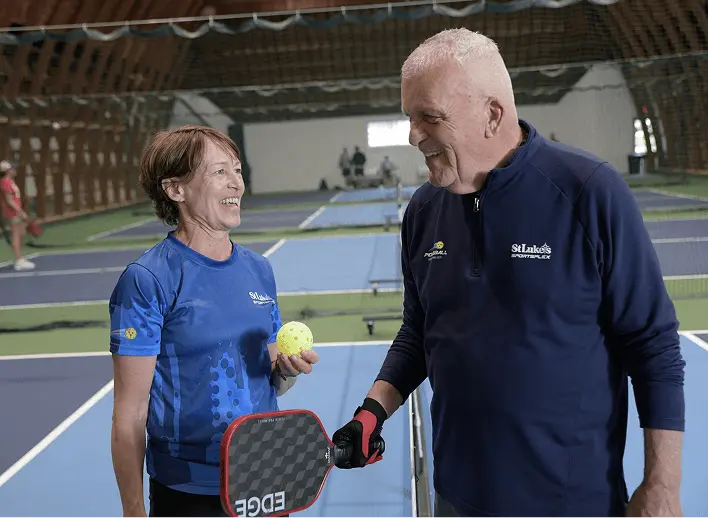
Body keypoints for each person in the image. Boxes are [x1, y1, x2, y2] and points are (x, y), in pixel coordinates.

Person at [332, 29, 685, 518]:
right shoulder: (422, 211)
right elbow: (420, 333)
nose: (413, 135)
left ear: (491, 114)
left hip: (570, 502)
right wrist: (372, 412)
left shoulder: (588, 192)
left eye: (428, 117)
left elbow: (654, 345)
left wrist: (663, 486)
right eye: (409, 118)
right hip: (455, 498)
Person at [109, 125, 319, 518]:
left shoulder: (260, 270)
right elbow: (130, 413)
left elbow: (273, 381)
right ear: (175, 189)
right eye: (219, 171)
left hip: (265, 477)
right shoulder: (148, 278)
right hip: (188, 488)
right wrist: (133, 510)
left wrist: (288, 370)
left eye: (237, 170)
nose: (236, 183)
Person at [0, 160, 35, 271]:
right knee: (16, 234)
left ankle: (20, 257)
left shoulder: (11, 181)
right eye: (12, 168)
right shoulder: (5, 182)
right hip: (12, 213)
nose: (15, 170)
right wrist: (21, 212)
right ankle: (19, 261)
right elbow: (9, 200)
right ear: (7, 171)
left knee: (22, 233)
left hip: (16, 212)